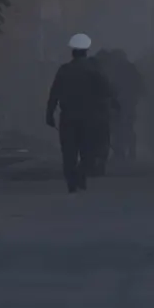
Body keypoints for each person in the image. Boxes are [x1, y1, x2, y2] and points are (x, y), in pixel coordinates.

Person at [47, 33, 113, 193]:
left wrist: (49, 114)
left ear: (72, 53)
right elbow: (107, 91)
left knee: (68, 151)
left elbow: (54, 93)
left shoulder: (64, 70)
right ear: (86, 52)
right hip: (90, 118)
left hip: (68, 116)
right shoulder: (94, 70)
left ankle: (72, 180)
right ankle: (80, 175)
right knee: (88, 151)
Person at [109, 49, 146, 160]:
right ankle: (129, 152)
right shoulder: (132, 69)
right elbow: (141, 87)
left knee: (119, 128)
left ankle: (120, 152)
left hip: (121, 103)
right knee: (127, 128)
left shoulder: (117, 69)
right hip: (128, 103)